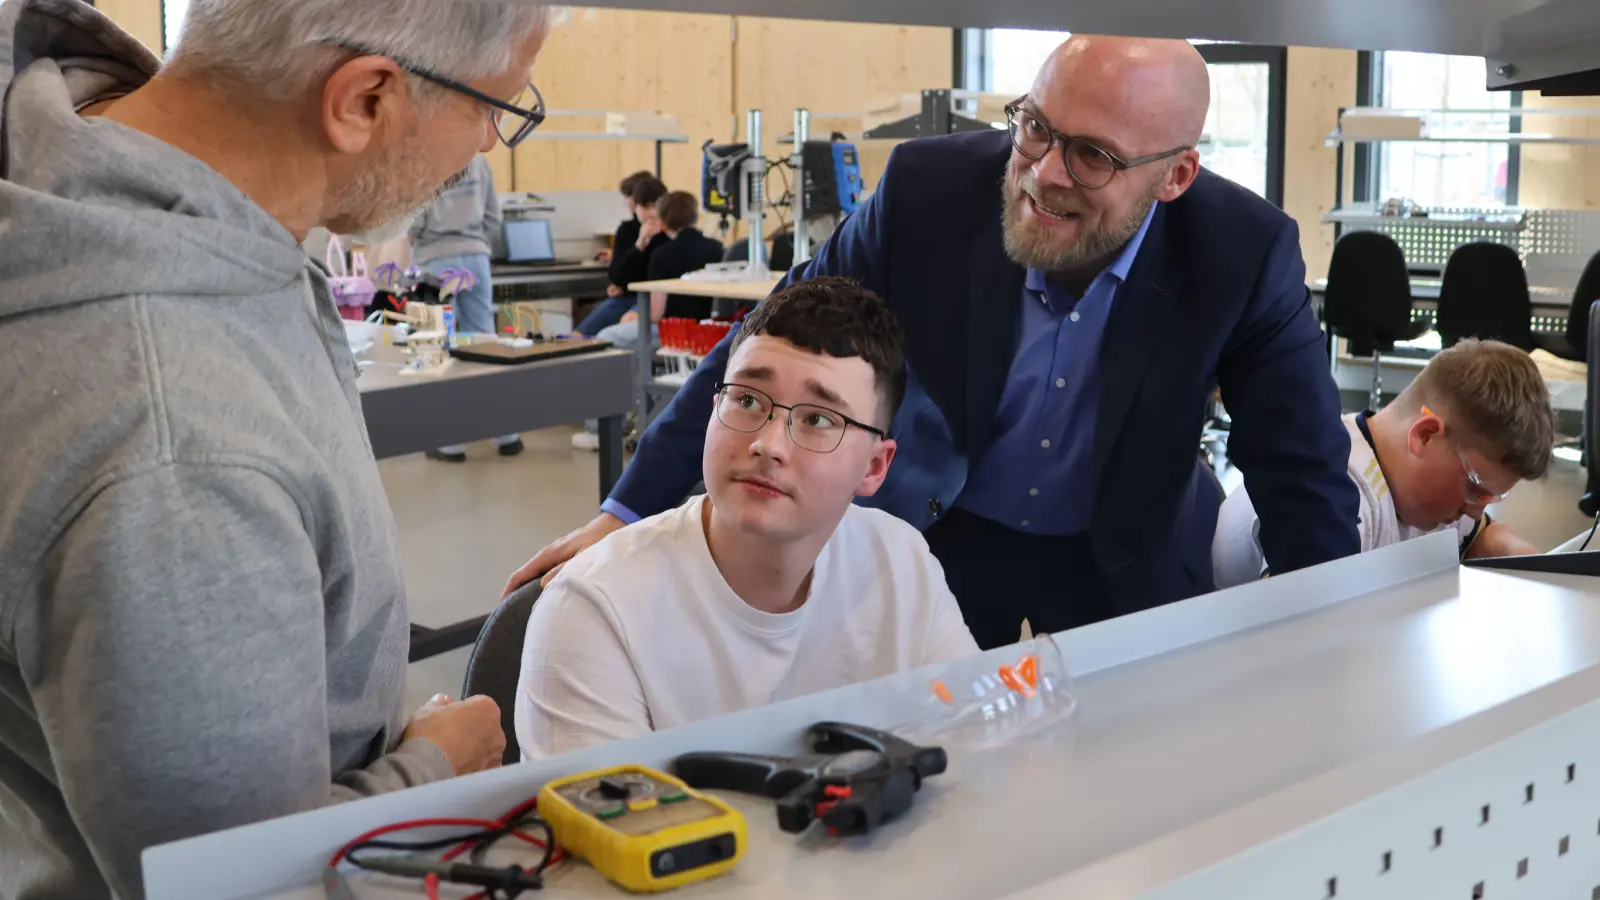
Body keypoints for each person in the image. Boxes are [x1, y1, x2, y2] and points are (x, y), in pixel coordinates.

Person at [511, 35, 1361, 648]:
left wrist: (1330, 639)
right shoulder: (931, 190)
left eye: (1094, 156)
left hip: (1120, 552)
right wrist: (623, 514)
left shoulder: (1242, 252)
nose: (1045, 174)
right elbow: (771, 341)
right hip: (931, 534)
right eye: (1036, 127)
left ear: (1175, 174)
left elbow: (1299, 467)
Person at [0, 0, 552, 895]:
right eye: (496, 106)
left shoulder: (175, 197)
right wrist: (432, 777)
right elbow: (244, 883)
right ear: (364, 101)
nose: (489, 142)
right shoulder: (176, 449)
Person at [517, 278, 979, 758]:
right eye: (747, 400)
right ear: (713, 409)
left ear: (874, 466)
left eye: (818, 419)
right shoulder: (597, 609)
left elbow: (976, 743)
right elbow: (605, 828)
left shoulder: (901, 562)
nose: (769, 445)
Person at [1212, 340, 1551, 587]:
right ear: (1426, 435)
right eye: (1476, 488)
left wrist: (1539, 565)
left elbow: (1483, 537)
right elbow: (1293, 627)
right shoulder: (1335, 498)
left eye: (1491, 497)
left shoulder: (1437, 501)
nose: (1474, 511)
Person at [572, 190, 724, 451]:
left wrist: (634, 314)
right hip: (708, 332)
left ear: (662, 223)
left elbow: (654, 313)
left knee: (605, 339)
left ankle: (599, 430)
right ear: (695, 216)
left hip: (671, 334)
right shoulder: (718, 248)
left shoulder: (663, 254)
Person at [411, 152, 523, 461]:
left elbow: (415, 220)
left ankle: (451, 443)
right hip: (476, 259)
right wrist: (474, 242)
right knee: (486, 345)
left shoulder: (426, 160)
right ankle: (507, 435)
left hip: (436, 260)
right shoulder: (479, 161)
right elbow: (493, 217)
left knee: (439, 349)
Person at [575, 170, 659, 337]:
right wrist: (639, 245)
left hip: (651, 300)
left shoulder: (667, 233)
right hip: (626, 297)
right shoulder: (627, 230)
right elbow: (617, 275)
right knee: (578, 335)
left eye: (628, 197)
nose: (627, 203)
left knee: (623, 325)